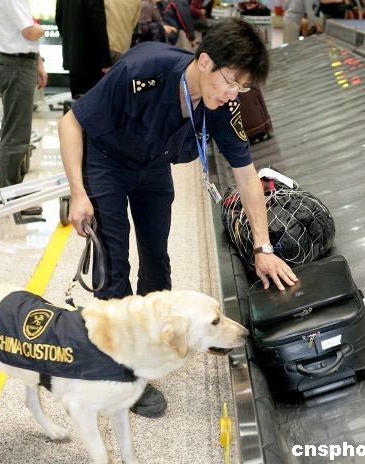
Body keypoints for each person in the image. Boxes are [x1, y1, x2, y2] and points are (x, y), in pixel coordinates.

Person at [58, 18, 298, 417]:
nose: (234, 93)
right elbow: (71, 122)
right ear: (204, 62)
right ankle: (119, 369)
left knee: (157, 260)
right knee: (113, 264)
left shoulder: (223, 104)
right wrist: (79, 193)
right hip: (106, 162)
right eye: (231, 81)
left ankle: (149, 345)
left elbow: (246, 175)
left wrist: (263, 247)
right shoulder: (141, 71)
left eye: (243, 87)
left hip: (153, 165)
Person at [0, 0, 47, 216]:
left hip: (19, 63)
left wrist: (38, 61)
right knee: (16, 136)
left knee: (15, 131)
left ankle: (12, 190)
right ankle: (10, 195)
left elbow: (23, 35)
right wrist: (41, 27)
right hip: (17, 66)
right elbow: (30, 32)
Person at [55, 0, 112, 98]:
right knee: (93, 101)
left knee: (77, 100)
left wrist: (69, 41)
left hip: (72, 58)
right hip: (92, 61)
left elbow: (59, 19)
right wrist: (106, 61)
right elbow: (98, 26)